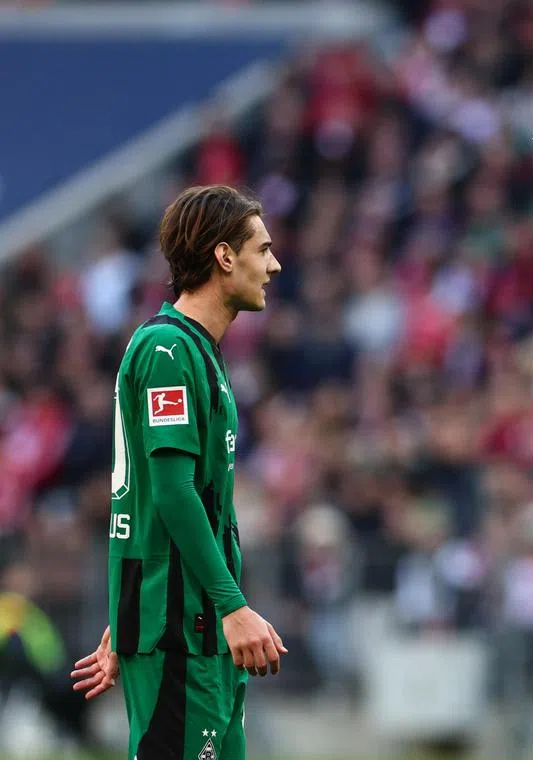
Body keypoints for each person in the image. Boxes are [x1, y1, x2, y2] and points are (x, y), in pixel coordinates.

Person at [70, 185, 286, 760]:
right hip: (184, 628)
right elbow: (169, 492)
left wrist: (131, 611)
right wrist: (232, 605)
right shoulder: (167, 349)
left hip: (191, 623)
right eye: (261, 250)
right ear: (223, 257)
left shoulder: (198, 351)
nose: (274, 264)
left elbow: (147, 495)